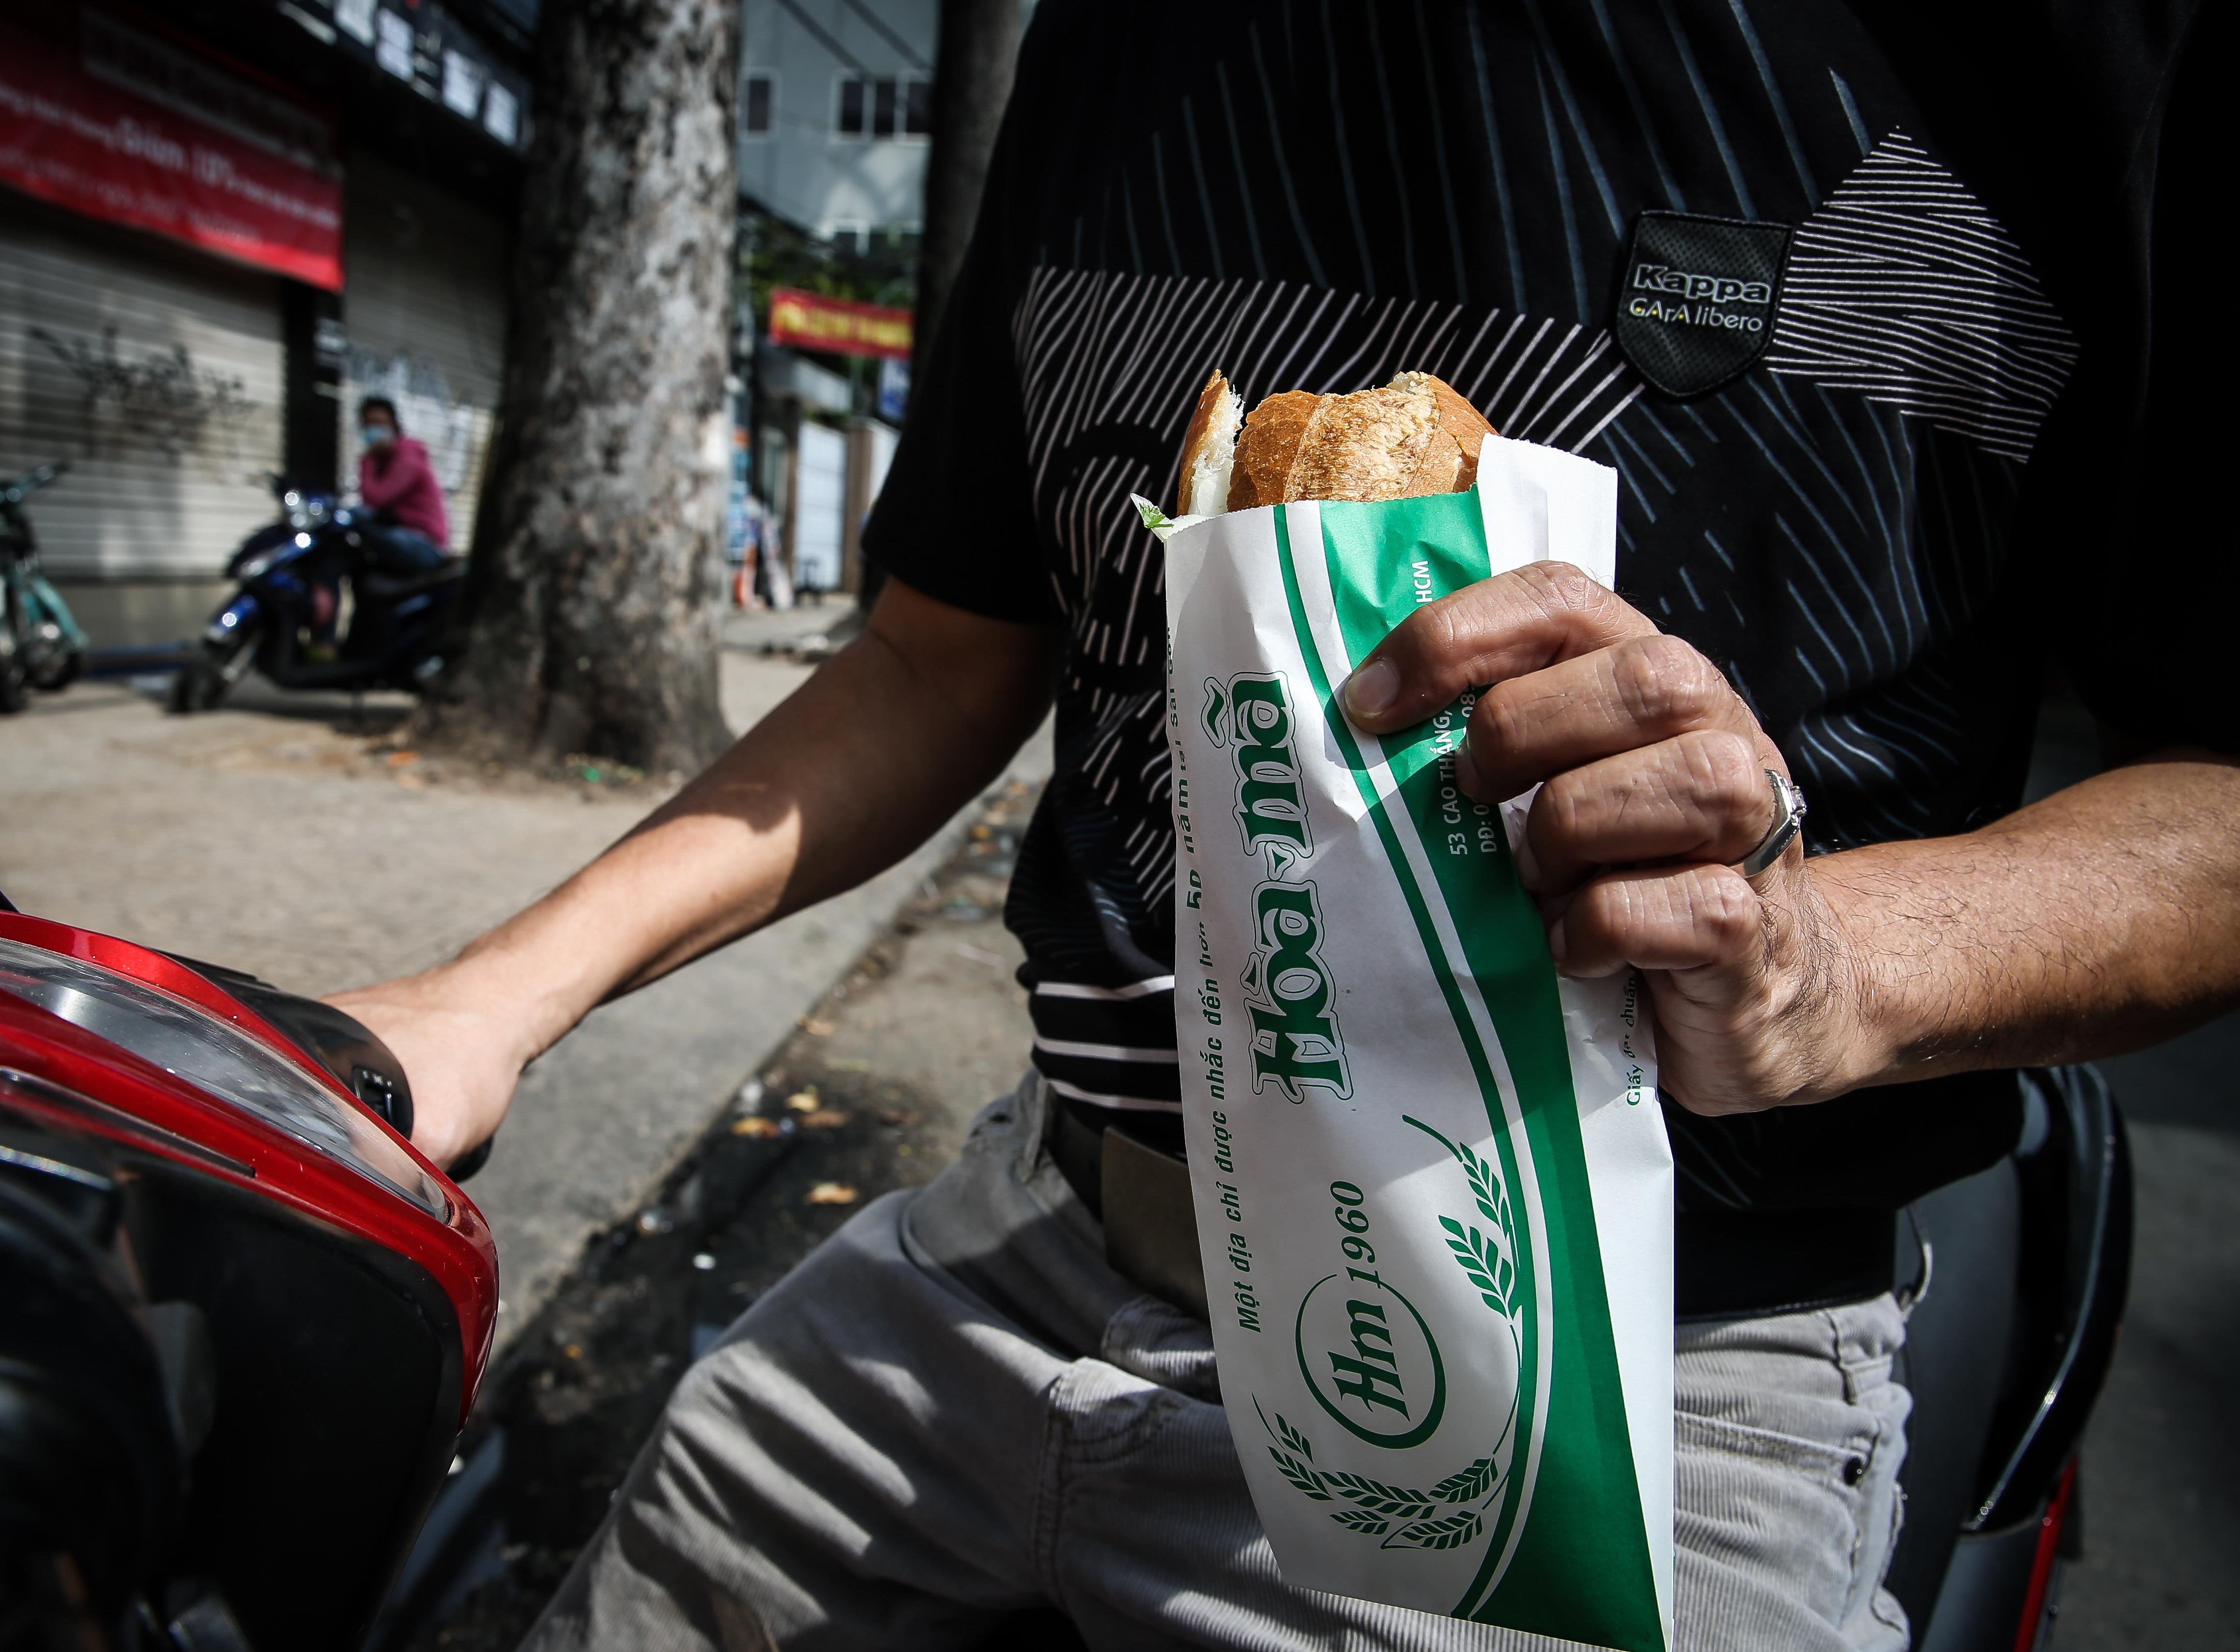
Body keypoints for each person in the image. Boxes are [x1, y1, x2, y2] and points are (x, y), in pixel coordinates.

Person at [329, 3, 2234, 1647]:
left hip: (1639, 1365)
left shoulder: (2069, 50)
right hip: (1033, 1232)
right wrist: (489, 1002)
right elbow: (934, 658)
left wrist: (1834, 966)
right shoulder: (1113, 42)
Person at [354, 396, 452, 575]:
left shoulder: (408, 456)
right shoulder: (382, 463)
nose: (373, 430)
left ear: (394, 426)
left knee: (355, 515)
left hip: (425, 544)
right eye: (368, 425)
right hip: (401, 536)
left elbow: (374, 501)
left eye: (379, 424)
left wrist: (368, 460)